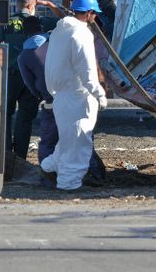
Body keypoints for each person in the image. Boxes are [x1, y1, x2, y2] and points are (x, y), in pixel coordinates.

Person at [18, 16, 105, 187]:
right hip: (74, 98)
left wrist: (43, 95)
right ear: (41, 27)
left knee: (50, 142)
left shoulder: (24, 56)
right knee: (79, 139)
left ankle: (47, 178)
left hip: (52, 102)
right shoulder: (53, 45)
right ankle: (92, 175)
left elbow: (29, 84)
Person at [40, 0, 108, 191]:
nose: (95, 18)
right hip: (77, 97)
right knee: (78, 145)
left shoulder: (59, 32)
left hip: (62, 96)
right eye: (94, 14)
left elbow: (51, 65)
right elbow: (86, 69)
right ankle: (68, 185)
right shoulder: (81, 34)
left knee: (67, 143)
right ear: (88, 13)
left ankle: (48, 167)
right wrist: (99, 94)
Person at [0, 0, 62, 159]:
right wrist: (50, 5)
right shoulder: (38, 21)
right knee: (24, 118)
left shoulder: (6, 22)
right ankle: (20, 158)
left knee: (5, 116)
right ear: (32, 6)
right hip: (30, 76)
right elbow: (65, 21)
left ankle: (7, 156)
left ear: (16, 4)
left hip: (10, 76)